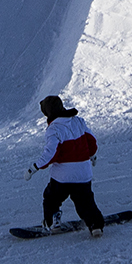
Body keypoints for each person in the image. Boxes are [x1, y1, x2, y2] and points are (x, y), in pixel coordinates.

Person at [28, 94, 105, 236]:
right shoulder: (79, 122)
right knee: (85, 202)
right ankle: (95, 226)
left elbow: (51, 153)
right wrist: (92, 155)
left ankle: (53, 224)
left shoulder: (54, 129)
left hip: (62, 176)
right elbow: (91, 141)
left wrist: (34, 167)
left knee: (51, 198)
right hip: (83, 173)